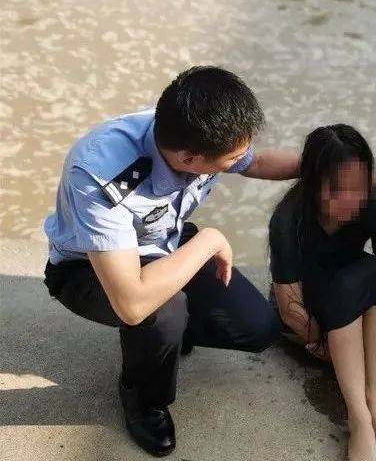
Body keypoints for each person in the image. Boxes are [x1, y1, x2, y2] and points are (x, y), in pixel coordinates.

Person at [43, 66, 299, 457]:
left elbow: (260, 163)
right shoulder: (98, 171)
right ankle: (143, 397)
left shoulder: (200, 131)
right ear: (190, 158)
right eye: (230, 161)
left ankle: (170, 335)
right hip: (87, 268)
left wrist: (328, 167)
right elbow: (131, 301)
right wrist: (211, 239)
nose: (239, 162)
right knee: (160, 309)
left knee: (258, 329)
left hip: (165, 242)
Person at [269, 125, 376, 461]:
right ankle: (359, 420)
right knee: (345, 288)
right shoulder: (288, 219)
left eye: (358, 189)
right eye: (337, 191)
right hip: (308, 319)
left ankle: (375, 404)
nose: (350, 201)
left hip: (351, 294)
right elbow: (289, 308)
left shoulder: (374, 204)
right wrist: (323, 344)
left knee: (374, 271)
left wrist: (369, 335)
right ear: (313, 185)